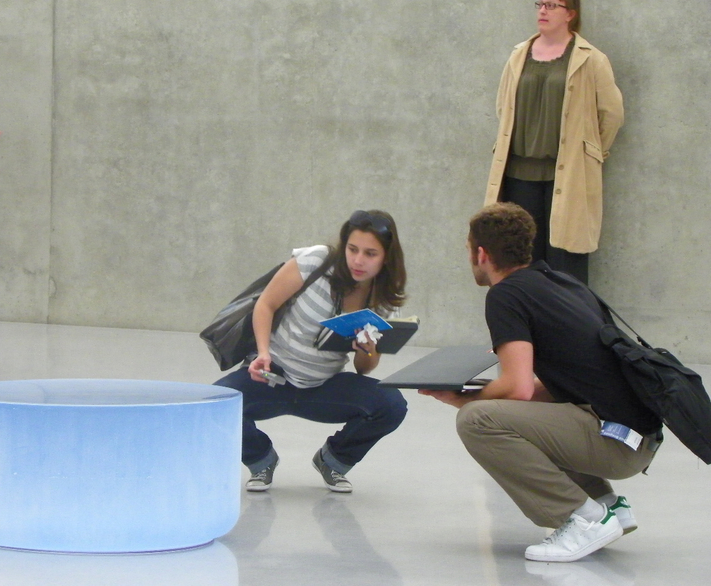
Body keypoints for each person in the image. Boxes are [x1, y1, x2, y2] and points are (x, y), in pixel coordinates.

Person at [421, 203, 662, 563]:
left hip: (615, 445)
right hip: (637, 439)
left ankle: (584, 519)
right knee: (505, 413)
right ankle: (607, 504)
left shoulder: (505, 296)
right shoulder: (562, 283)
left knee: (477, 421)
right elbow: (558, 386)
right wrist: (463, 395)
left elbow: (517, 387)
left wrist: (468, 402)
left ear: (481, 253)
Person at [215, 210, 408, 493]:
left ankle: (334, 460)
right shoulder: (316, 261)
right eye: (352, 249)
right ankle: (261, 460)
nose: (358, 260)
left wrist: (367, 350)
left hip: (324, 385)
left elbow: (364, 369)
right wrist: (263, 353)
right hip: (272, 376)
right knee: (215, 406)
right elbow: (266, 304)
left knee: (391, 405)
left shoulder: (383, 302)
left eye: (370, 253)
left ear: (387, 257)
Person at [485, 0, 624, 284]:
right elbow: (503, 106)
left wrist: (590, 154)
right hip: (518, 175)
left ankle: (568, 316)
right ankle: (526, 315)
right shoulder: (518, 55)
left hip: (568, 175)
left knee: (566, 264)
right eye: (540, 4)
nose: (543, 11)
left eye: (552, 5)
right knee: (521, 262)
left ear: (570, 14)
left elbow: (611, 114)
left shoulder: (591, 59)